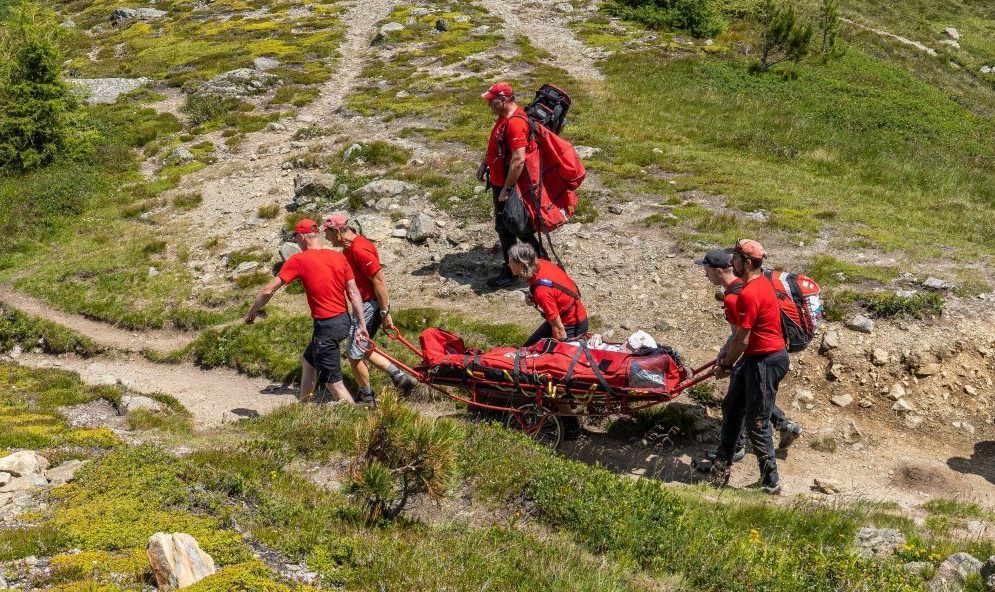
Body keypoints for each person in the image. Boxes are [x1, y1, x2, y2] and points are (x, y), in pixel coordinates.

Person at [695, 249, 802, 463]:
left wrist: (726, 363)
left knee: (740, 403)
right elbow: (737, 334)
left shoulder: (736, 296)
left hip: (757, 354)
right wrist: (727, 348)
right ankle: (783, 425)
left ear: (718, 270)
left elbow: (741, 337)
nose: (705, 275)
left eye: (706, 270)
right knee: (747, 398)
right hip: (763, 352)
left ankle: (741, 450)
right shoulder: (742, 288)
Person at [245, 218, 367, 404]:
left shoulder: (299, 260)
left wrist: (252, 312)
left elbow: (268, 290)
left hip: (326, 326)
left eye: (296, 238)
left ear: (302, 237)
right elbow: (353, 292)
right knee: (308, 362)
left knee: (334, 384)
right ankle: (303, 408)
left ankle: (357, 422)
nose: (296, 242)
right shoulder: (339, 257)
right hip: (343, 320)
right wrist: (361, 324)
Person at [709, 239, 790, 495]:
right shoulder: (758, 285)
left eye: (735, 258)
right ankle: (721, 470)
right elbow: (741, 340)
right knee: (732, 408)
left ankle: (770, 482)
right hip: (756, 358)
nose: (731, 262)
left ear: (746, 262)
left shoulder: (749, 293)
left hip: (765, 360)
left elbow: (741, 339)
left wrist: (725, 365)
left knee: (758, 421)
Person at [321, 214, 418, 405]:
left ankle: (367, 397)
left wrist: (384, 313)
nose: (327, 238)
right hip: (364, 304)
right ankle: (401, 378)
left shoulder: (360, 249)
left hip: (369, 305)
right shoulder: (348, 249)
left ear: (337, 231)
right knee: (363, 348)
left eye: (328, 233)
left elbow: (379, 281)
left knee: (354, 354)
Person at [477, 82, 546, 290]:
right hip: (501, 184)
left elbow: (518, 160)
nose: (489, 105)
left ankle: (515, 270)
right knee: (507, 226)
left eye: (492, 101)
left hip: (509, 187)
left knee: (513, 227)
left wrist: (507, 189)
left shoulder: (515, 123)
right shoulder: (504, 119)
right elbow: (497, 147)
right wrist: (484, 164)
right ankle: (535, 262)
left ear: (504, 100)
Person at [507, 243, 588, 347]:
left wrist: (557, 350)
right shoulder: (540, 264)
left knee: (536, 357)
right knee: (527, 349)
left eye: (510, 262)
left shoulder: (542, 292)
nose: (508, 265)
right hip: (572, 315)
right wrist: (533, 296)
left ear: (522, 265)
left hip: (572, 325)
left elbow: (559, 330)